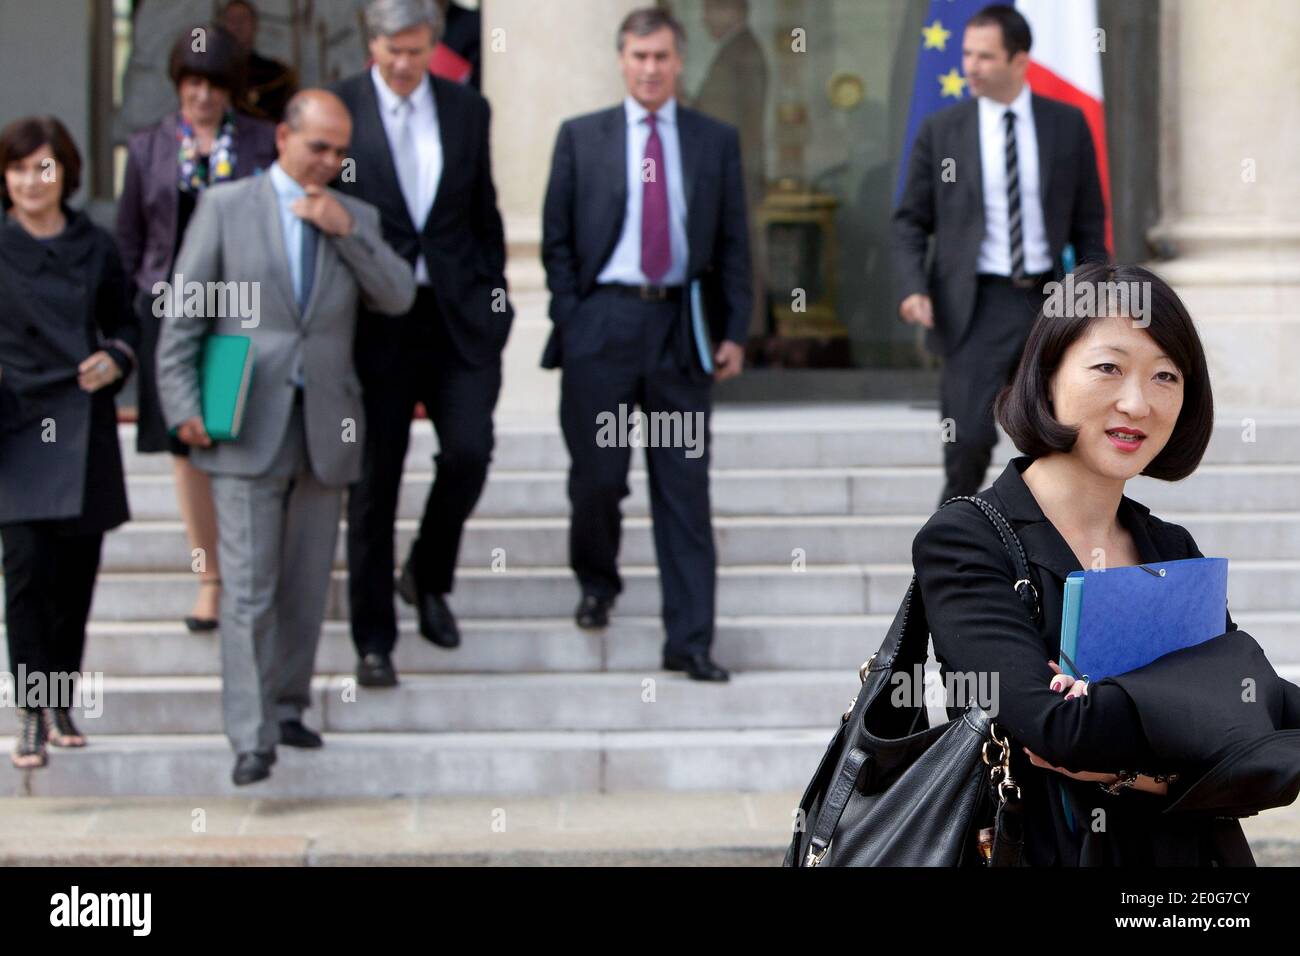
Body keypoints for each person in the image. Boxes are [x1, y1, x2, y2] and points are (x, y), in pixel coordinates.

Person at [911, 261, 1290, 865]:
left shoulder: (1171, 546)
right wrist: (1184, 723)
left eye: (1165, 375)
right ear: (1047, 373)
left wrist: (1117, 741)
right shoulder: (967, 540)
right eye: (1108, 367)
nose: (1137, 403)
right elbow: (1055, 728)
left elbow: (1259, 724)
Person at [156, 90, 416, 786]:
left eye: (339, 152)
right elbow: (183, 316)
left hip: (326, 424)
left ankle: (290, 706)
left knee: (304, 586)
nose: (328, 161)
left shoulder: (354, 214)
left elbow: (397, 295)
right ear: (282, 138)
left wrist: (344, 230)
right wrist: (181, 403)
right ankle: (250, 734)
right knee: (247, 588)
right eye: (317, 147)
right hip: (243, 419)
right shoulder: (226, 206)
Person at [541, 8, 751, 682]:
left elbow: (732, 246)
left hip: (679, 330)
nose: (651, 69)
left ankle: (689, 641)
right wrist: (575, 322)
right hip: (602, 328)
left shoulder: (713, 141)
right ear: (622, 60)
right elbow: (557, 243)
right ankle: (597, 580)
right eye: (639, 57)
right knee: (598, 479)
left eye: (662, 56)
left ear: (678, 60)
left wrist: (733, 330)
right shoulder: (581, 138)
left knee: (683, 488)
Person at [332, 0, 513, 688]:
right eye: (392, 51)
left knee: (469, 452)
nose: (405, 65)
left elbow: (482, 213)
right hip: (374, 321)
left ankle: (428, 575)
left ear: (432, 44)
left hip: (457, 316)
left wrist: (495, 301)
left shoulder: (466, 109)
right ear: (370, 44)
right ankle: (373, 639)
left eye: (416, 51)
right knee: (374, 483)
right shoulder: (340, 109)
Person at [892, 4, 1107, 506]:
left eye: (984, 56)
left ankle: (1045, 549)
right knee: (966, 439)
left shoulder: (1066, 126)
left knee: (1053, 437)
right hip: (974, 305)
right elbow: (909, 220)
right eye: (966, 54)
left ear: (1019, 61)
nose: (970, 66)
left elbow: (1090, 224)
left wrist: (1095, 297)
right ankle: (954, 547)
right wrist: (912, 287)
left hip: (1048, 302)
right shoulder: (942, 131)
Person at [116, 24, 276, 634]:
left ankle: (252, 567)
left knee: (242, 435)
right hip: (172, 312)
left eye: (213, 84)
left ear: (231, 89)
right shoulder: (149, 147)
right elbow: (130, 238)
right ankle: (209, 575)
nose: (202, 96)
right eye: (192, 82)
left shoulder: (262, 143)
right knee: (187, 446)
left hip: (242, 307)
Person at [0, 117, 138, 768]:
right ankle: (30, 710)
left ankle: (60, 698)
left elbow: (126, 322)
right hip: (17, 422)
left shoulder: (97, 246)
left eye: (44, 167)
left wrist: (116, 357)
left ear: (66, 174)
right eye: (20, 168)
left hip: (83, 422)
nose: (32, 181)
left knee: (74, 578)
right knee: (26, 572)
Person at [220, 0, 299, 123]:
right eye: (232, 20)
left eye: (243, 19)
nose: (237, 26)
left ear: (255, 26)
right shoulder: (212, 73)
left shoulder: (277, 74)